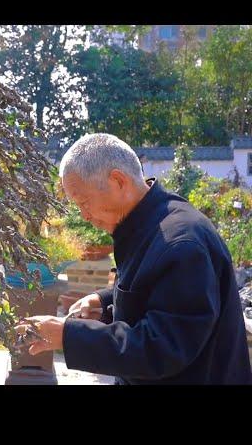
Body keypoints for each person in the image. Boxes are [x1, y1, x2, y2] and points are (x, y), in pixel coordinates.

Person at [15, 133, 252, 384]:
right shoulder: (147, 222)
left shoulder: (182, 244)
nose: (84, 215)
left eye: (84, 202)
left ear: (118, 180)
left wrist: (68, 336)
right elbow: (153, 289)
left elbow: (163, 348)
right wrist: (103, 301)